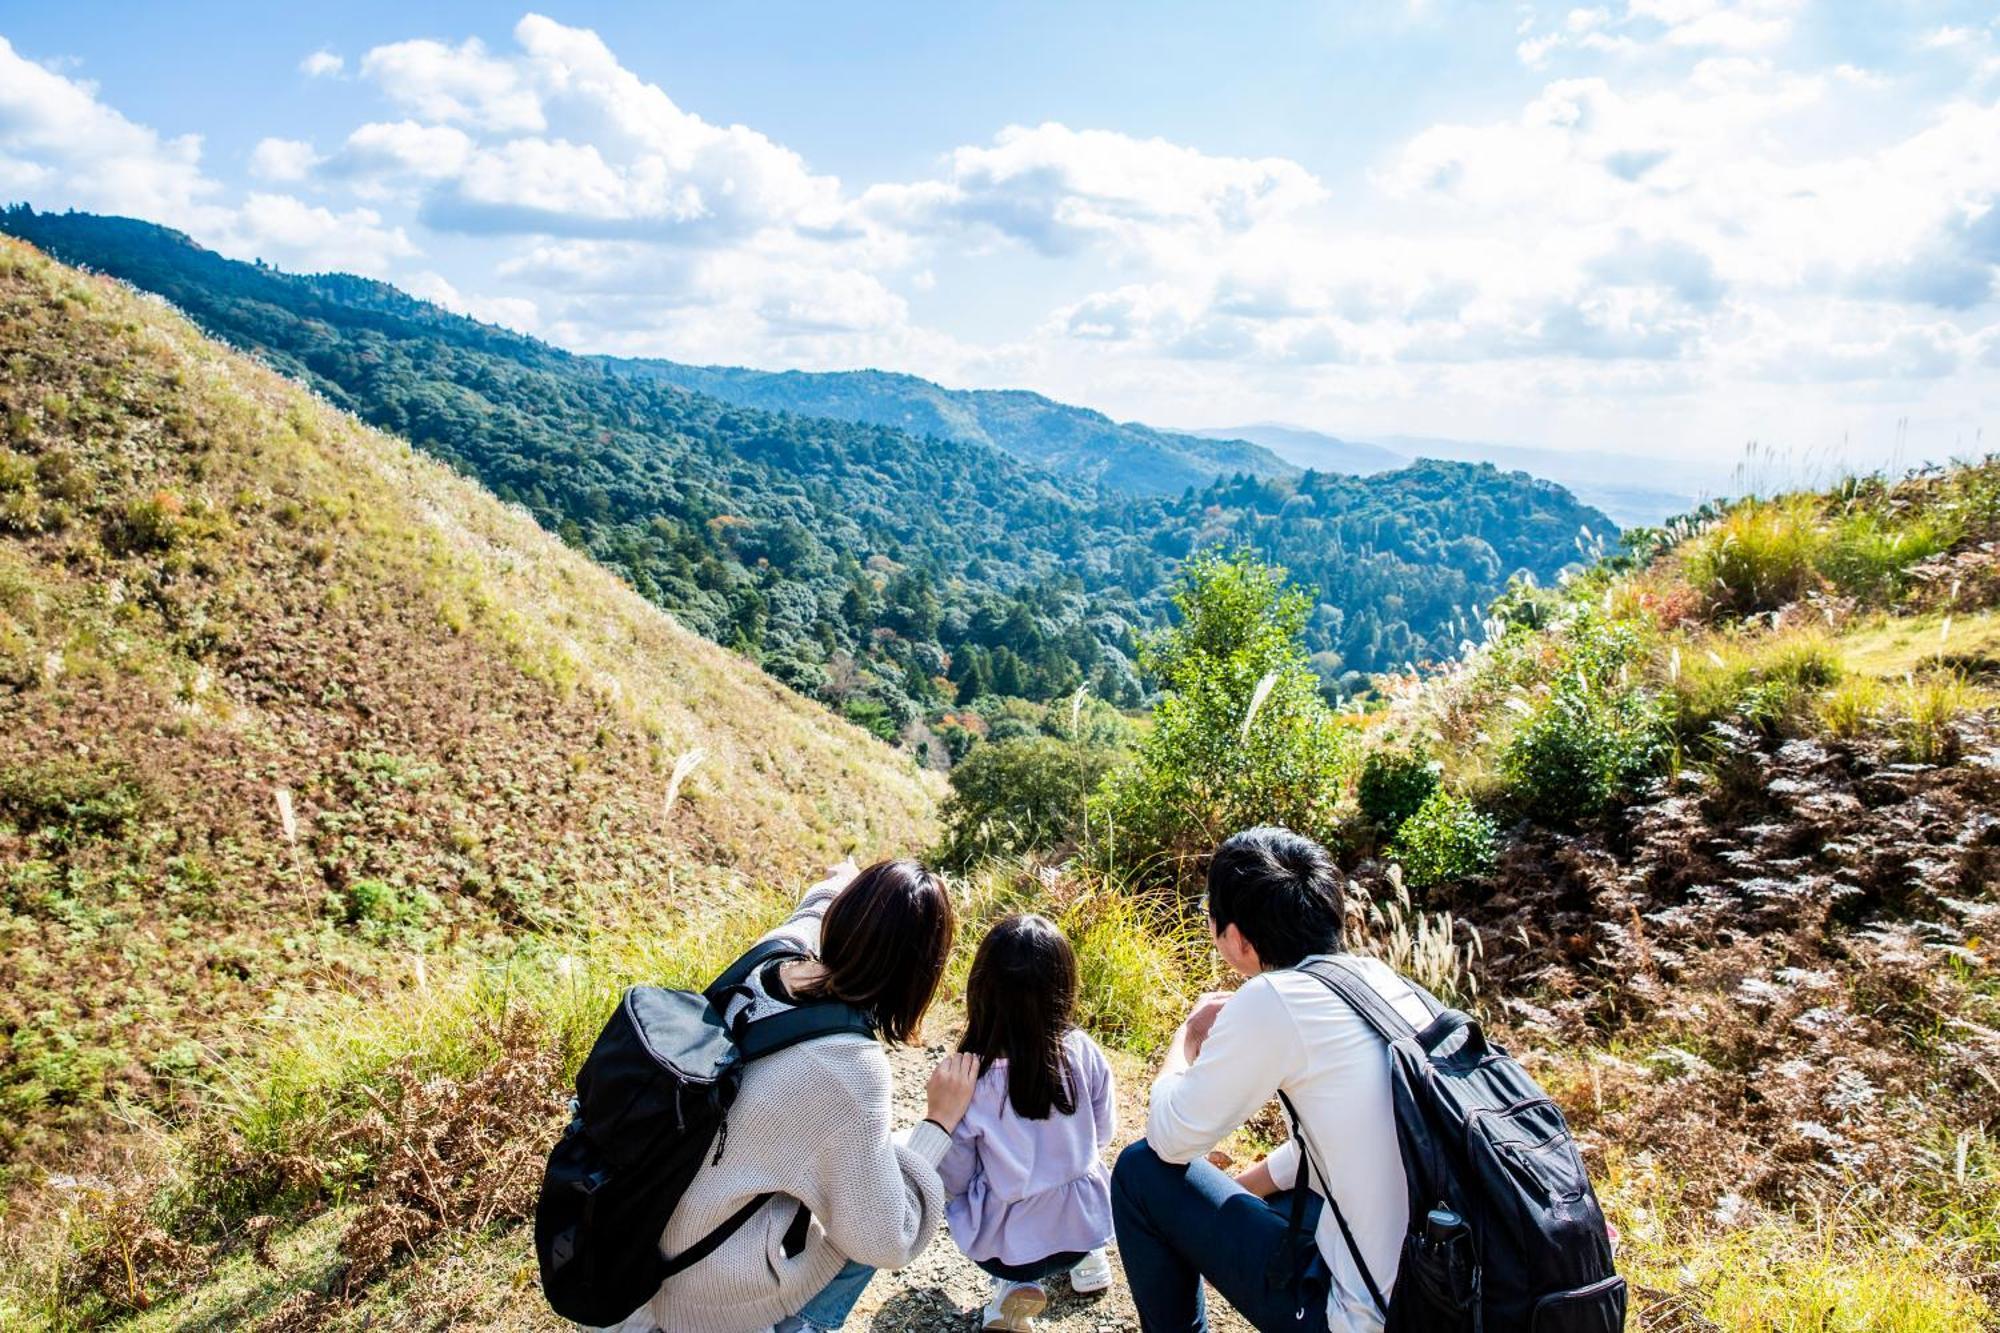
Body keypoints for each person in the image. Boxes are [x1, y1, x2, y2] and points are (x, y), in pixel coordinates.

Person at [608, 858, 978, 1333]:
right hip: (697, 1305)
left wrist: (840, 882)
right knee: (896, 1191)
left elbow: (812, 911)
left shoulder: (770, 955)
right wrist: (939, 1124)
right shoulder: (850, 1071)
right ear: (919, 973)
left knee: (861, 1169)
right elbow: (890, 1240)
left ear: (842, 917)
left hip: (629, 1244)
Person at [1110, 827, 1435, 1333]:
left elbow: (1170, 1139)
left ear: (1236, 937)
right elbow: (1342, 1142)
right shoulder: (1388, 984)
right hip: (1447, 1294)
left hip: (1364, 1320)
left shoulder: (1275, 996)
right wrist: (1229, 1195)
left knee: (1139, 1172)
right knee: (1280, 1197)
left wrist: (1187, 1038)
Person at [937, 914, 1118, 1332]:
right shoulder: (1084, 1052)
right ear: (1064, 988)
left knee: (991, 1195)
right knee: (1074, 1175)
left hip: (1007, 1248)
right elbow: (1103, 1132)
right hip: (1085, 1226)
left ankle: (1008, 1296)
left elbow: (956, 1175)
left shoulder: (972, 1078)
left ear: (980, 991)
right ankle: (1090, 1264)